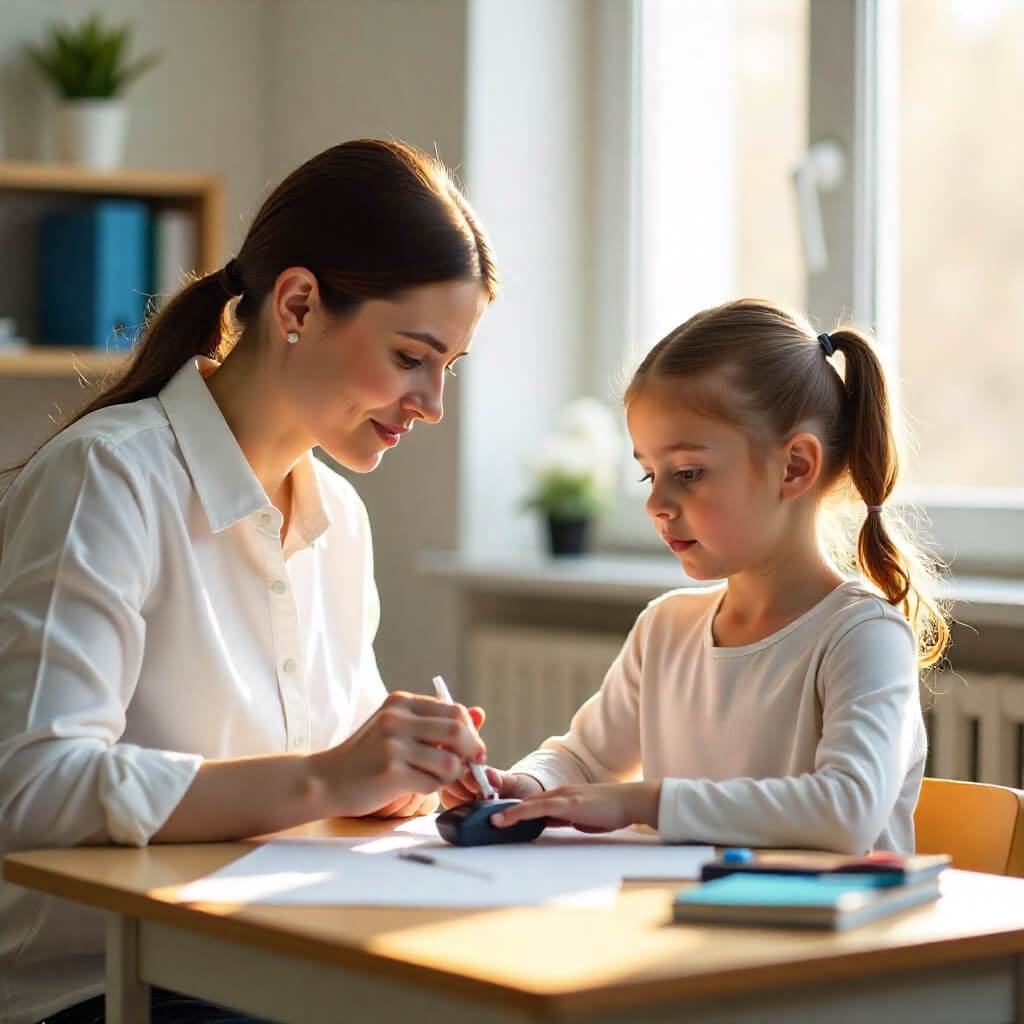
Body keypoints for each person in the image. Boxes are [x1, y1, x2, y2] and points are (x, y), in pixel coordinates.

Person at [0, 138, 497, 1024]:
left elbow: (333, 762)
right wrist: (326, 780)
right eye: (413, 356)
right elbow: (33, 789)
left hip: (284, 957)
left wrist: (400, 777)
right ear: (298, 303)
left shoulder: (340, 521)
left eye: (448, 369)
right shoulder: (107, 478)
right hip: (108, 987)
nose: (433, 405)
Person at [442, 298, 948, 855]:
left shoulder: (862, 635)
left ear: (794, 467)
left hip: (832, 937)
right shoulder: (665, 627)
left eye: (688, 473)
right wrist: (528, 786)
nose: (657, 501)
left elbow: (846, 812)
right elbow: (583, 759)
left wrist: (642, 802)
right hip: (694, 930)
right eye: (648, 475)